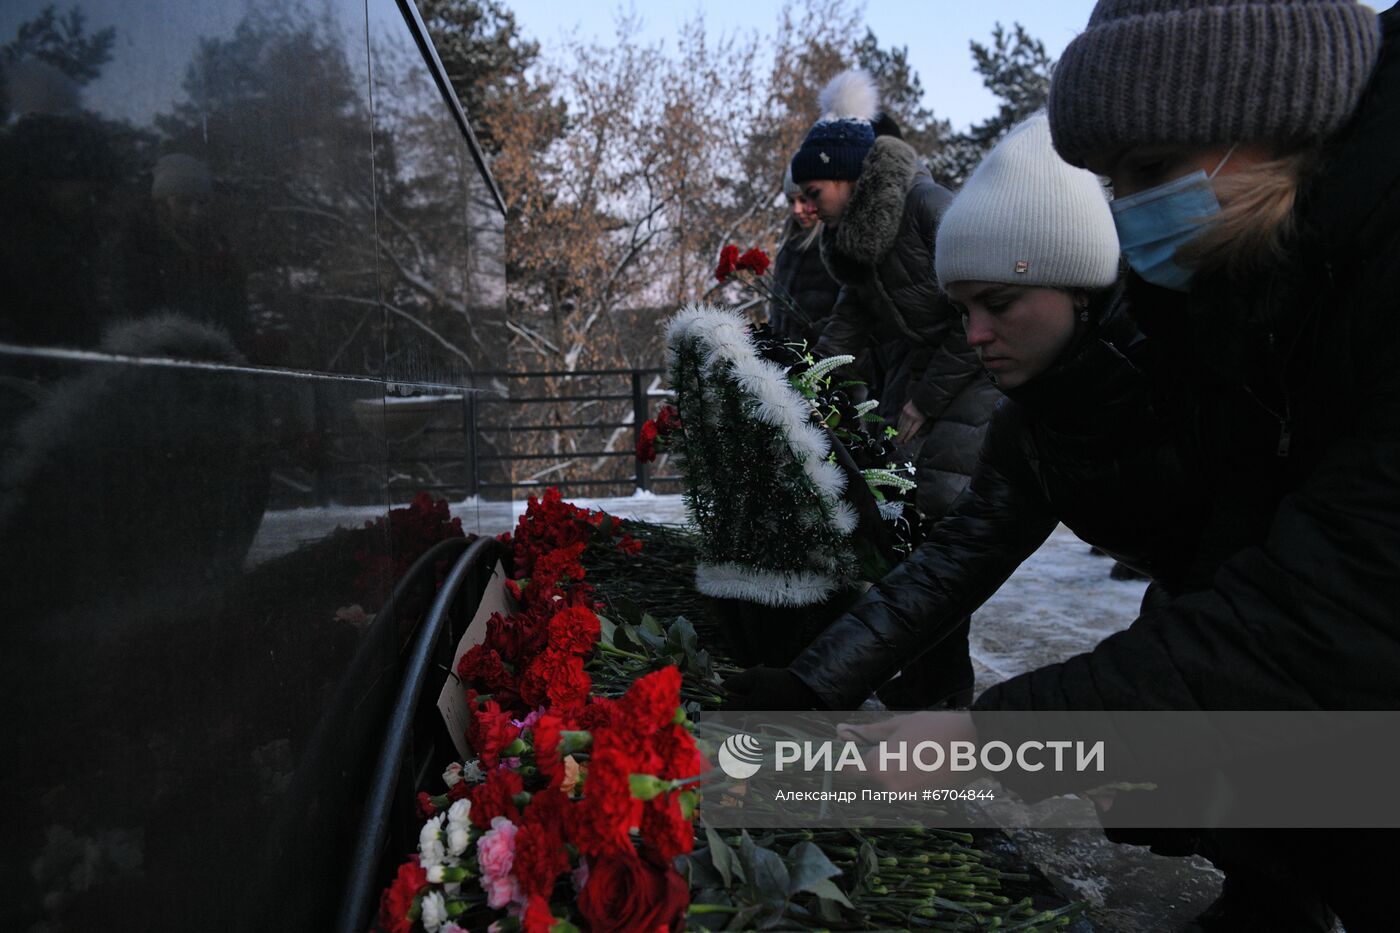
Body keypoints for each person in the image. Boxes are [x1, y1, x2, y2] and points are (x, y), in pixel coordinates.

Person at [825, 3, 1398, 929]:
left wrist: (996, 740)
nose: (1128, 212)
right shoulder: (1235, 288)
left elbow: (1330, 612)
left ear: (1273, 104)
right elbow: (963, 556)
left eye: (1149, 171)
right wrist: (814, 686)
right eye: (1111, 181)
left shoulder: (1264, 304)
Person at [725, 112, 1208, 711]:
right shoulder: (1033, 424)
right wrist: (811, 683)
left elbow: (1262, 589)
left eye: (998, 303)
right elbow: (949, 565)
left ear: (1078, 285)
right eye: (960, 310)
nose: (976, 334)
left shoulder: (1197, 371)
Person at [791, 69, 1000, 707]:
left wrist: (924, 400)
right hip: (927, 387)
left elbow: (981, 312)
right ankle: (932, 679)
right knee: (913, 534)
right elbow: (847, 323)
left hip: (972, 385)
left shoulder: (928, 208)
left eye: (811, 191)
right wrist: (797, 379)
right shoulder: (853, 238)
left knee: (937, 532)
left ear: (848, 180)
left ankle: (943, 690)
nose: (801, 207)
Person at [766, 165, 840, 347]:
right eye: (791, 202)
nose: (797, 210)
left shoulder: (835, 247)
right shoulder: (787, 248)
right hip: (789, 363)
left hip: (826, 362)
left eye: (803, 199)